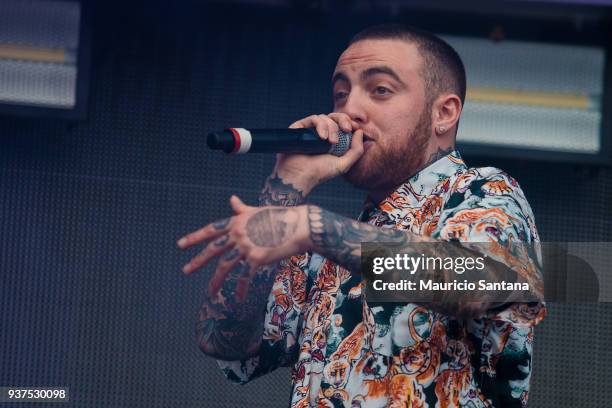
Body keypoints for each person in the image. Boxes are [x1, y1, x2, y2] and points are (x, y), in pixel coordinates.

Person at [177, 24, 546, 407]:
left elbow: (487, 284)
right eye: (341, 93)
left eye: (380, 90)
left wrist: (314, 228)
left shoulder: (484, 192)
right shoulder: (327, 250)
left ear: (444, 112)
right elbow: (223, 338)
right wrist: (286, 185)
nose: (349, 110)